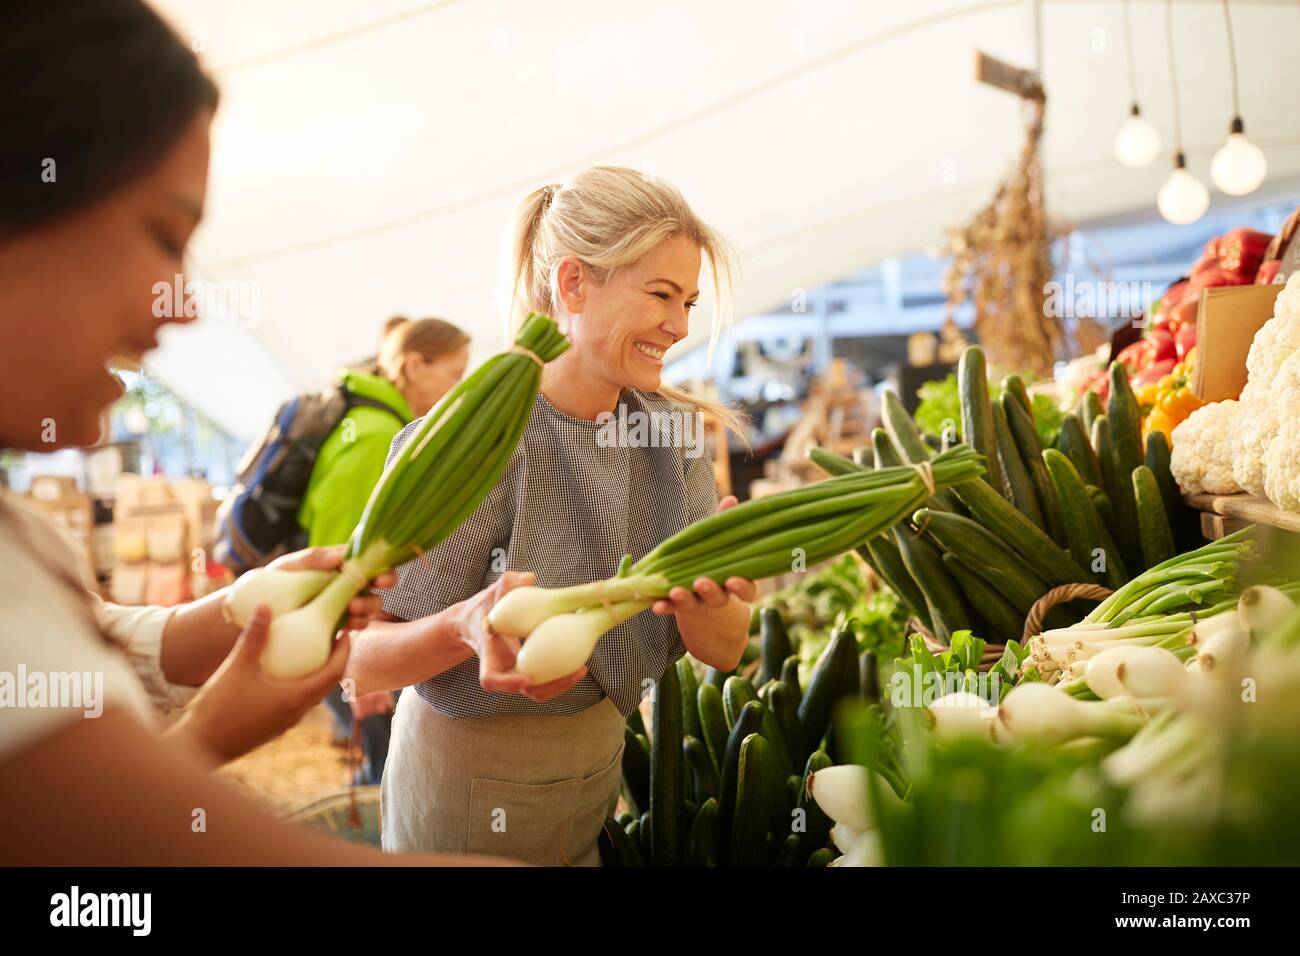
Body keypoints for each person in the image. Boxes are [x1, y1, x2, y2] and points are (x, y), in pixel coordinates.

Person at [0, 0, 512, 866]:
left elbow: (68, 653)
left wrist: (230, 619)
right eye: (164, 235)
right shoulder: (369, 434)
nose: (184, 304)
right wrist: (205, 731)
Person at [342, 166, 756, 865]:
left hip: (596, 775)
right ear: (572, 284)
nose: (680, 325)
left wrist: (714, 594)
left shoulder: (668, 436)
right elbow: (356, 658)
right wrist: (462, 629)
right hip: (463, 793)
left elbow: (723, 649)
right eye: (661, 295)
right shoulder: (473, 441)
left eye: (688, 302)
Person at [305, 316, 471, 784]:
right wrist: (353, 668)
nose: (459, 388)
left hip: (358, 632)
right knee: (381, 769)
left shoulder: (381, 421)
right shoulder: (376, 433)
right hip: (347, 635)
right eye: (454, 373)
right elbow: (333, 555)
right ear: (415, 365)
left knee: (380, 761)